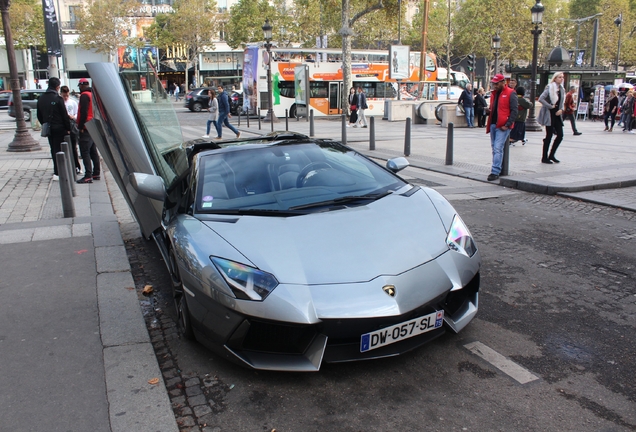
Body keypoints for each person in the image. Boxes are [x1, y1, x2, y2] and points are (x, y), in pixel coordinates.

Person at [36, 77, 71, 181]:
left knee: (53, 149)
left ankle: (56, 171)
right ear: (57, 87)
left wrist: (45, 123)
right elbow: (64, 115)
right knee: (61, 149)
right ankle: (61, 170)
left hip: (49, 128)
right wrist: (68, 128)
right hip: (60, 128)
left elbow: (39, 115)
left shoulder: (41, 98)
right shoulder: (58, 98)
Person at [486, 74, 518, 181]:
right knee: (495, 148)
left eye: (496, 83)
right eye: (494, 83)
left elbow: (514, 110)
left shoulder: (510, 93)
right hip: (494, 123)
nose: (494, 85)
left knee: (497, 147)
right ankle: (496, 169)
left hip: (502, 125)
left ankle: (495, 171)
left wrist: (508, 124)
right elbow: (495, 108)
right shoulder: (494, 94)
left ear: (502, 82)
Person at [537, 72, 566, 164]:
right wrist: (550, 106)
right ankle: (544, 157)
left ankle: (552, 154)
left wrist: (561, 109)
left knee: (560, 135)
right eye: (559, 77)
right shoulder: (550, 87)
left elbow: (562, 102)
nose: (561, 79)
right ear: (555, 78)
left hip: (558, 114)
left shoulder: (562, 89)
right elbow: (541, 98)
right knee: (549, 135)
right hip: (550, 113)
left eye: (562, 77)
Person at [76, 78, 100, 184]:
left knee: (85, 151)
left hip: (86, 126)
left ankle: (88, 175)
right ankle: (96, 173)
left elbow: (83, 112)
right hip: (92, 125)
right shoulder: (92, 94)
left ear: (81, 86)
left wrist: (80, 126)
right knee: (93, 151)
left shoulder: (84, 95)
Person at [60, 85, 82, 174]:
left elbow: (77, 113)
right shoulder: (60, 102)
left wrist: (73, 117)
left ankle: (77, 166)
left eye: (67, 96)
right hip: (63, 126)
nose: (65, 97)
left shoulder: (72, 103)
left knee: (73, 147)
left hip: (72, 125)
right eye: (64, 96)